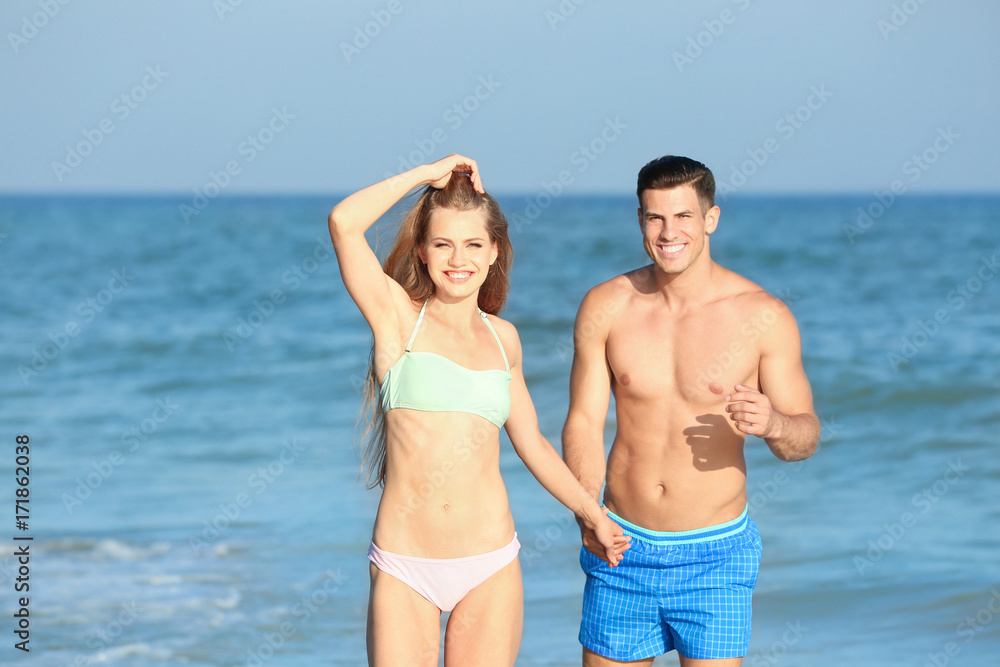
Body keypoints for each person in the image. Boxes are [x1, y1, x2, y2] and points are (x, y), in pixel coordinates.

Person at [327, 154, 629, 666]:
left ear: (494, 253)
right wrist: (429, 173)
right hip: (406, 564)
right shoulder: (398, 320)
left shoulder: (503, 338)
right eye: (442, 244)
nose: (457, 259)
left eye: (472, 245)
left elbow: (531, 442)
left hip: (490, 562)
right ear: (422, 252)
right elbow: (343, 223)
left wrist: (590, 513)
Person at [562, 155, 820, 666]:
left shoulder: (762, 316)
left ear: (710, 219)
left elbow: (805, 437)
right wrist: (586, 512)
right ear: (640, 221)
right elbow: (585, 423)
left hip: (715, 556)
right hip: (621, 544)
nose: (668, 231)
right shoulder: (606, 306)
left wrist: (773, 424)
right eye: (654, 217)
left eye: (682, 216)